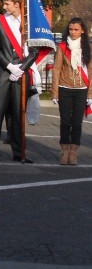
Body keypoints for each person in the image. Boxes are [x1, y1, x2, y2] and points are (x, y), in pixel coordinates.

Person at [0, 0, 38, 163]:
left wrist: (21, 68)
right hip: (4, 70)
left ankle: (18, 152)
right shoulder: (0, 21)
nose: (4, 7)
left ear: (17, 4)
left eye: (7, 4)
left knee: (18, 113)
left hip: (21, 71)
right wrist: (9, 66)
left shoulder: (28, 24)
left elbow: (34, 50)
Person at [51, 18, 92, 166]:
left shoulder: (87, 47)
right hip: (65, 87)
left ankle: (74, 151)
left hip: (81, 88)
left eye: (76, 29)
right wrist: (55, 92)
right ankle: (65, 150)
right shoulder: (62, 47)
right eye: (70, 29)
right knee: (65, 121)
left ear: (82, 30)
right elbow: (56, 69)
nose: (73, 32)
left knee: (77, 122)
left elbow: (91, 71)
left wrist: (90, 94)